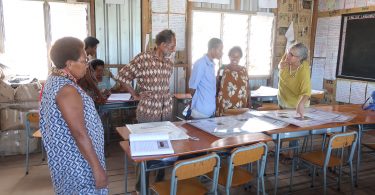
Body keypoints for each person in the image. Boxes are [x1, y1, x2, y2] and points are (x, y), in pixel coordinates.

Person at [39, 37, 108, 194]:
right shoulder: (67, 90)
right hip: (80, 167)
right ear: (69, 64)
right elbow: (79, 133)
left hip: (68, 163)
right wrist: (97, 169)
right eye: (84, 61)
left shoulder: (54, 80)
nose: (87, 65)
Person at [117, 29, 176, 122]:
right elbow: (122, 76)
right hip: (148, 113)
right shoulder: (143, 59)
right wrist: (135, 95)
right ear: (163, 45)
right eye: (172, 47)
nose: (174, 50)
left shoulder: (169, 61)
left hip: (166, 113)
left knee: (165, 136)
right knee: (148, 136)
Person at [189, 38, 223, 119]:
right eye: (220, 50)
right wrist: (199, 101)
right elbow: (192, 88)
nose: (222, 53)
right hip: (200, 111)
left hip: (210, 111)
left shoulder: (211, 64)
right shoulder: (200, 64)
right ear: (212, 49)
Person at [278, 42, 311, 117]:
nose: (288, 56)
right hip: (282, 101)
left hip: (295, 106)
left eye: (292, 55)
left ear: (299, 58)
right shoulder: (287, 58)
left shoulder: (304, 70)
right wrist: (279, 66)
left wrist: (301, 104)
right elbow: (280, 65)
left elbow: (306, 92)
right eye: (288, 52)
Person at [216, 46, 251, 116]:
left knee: (239, 125)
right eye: (233, 56)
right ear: (229, 56)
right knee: (224, 125)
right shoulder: (223, 69)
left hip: (241, 105)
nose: (235, 58)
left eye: (237, 56)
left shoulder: (244, 70)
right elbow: (217, 86)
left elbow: (248, 88)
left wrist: (249, 101)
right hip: (225, 106)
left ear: (240, 57)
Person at [78, 36, 106, 104]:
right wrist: (99, 94)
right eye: (95, 48)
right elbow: (89, 79)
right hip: (82, 92)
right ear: (89, 47)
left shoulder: (87, 60)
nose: (95, 50)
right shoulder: (83, 59)